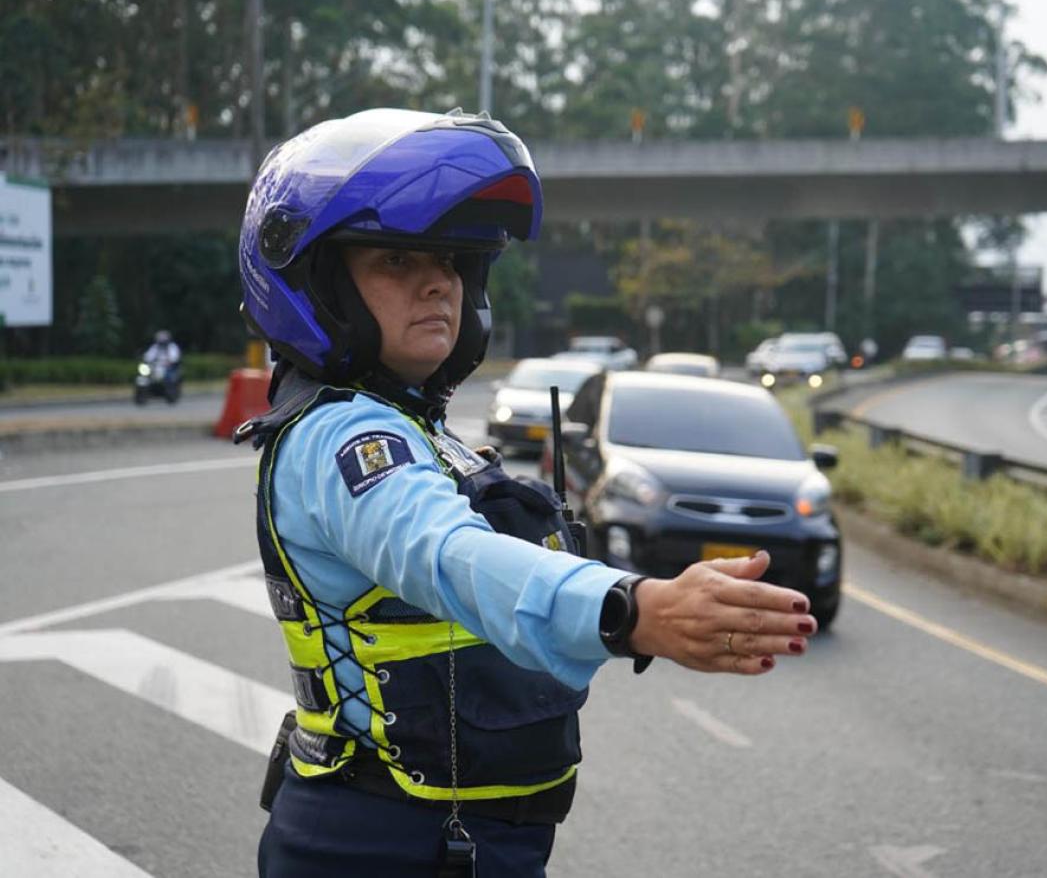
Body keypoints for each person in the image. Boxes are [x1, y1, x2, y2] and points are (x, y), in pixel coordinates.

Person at [236, 108, 818, 878]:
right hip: (379, 842)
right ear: (315, 278)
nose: (437, 282)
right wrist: (632, 609)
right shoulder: (340, 439)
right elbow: (447, 555)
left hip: (455, 838)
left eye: (451, 261)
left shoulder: (420, 431)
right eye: (394, 261)